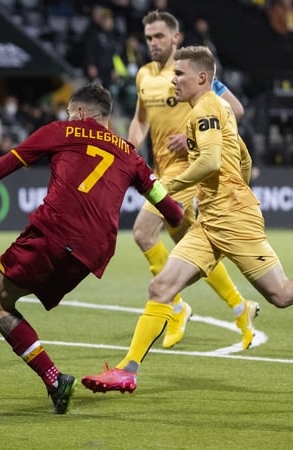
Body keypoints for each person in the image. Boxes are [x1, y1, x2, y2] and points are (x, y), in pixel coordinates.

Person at [0, 83, 184, 414]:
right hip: (94, 252)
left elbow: (2, 166)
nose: (67, 116)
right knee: (0, 297)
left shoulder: (62, 131)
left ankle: (53, 378)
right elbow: (168, 205)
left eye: (69, 112)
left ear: (80, 113)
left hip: (53, 231)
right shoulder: (130, 154)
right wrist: (182, 219)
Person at [81, 46, 293, 395]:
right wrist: (235, 184)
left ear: (201, 78)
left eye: (179, 74)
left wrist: (165, 186)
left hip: (235, 220)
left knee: (282, 295)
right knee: (161, 288)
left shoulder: (207, 107)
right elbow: (242, 156)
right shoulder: (214, 110)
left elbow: (209, 162)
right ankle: (126, 371)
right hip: (211, 221)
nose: (173, 80)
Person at [128, 10, 256, 351]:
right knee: (195, 246)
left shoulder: (192, 75)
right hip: (162, 169)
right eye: (148, 38)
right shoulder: (143, 76)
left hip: (188, 173)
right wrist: (130, 147)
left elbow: (236, 110)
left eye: (158, 36)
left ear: (175, 38)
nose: (153, 43)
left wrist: (193, 140)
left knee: (142, 231)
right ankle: (240, 308)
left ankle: (175, 305)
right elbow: (141, 120)